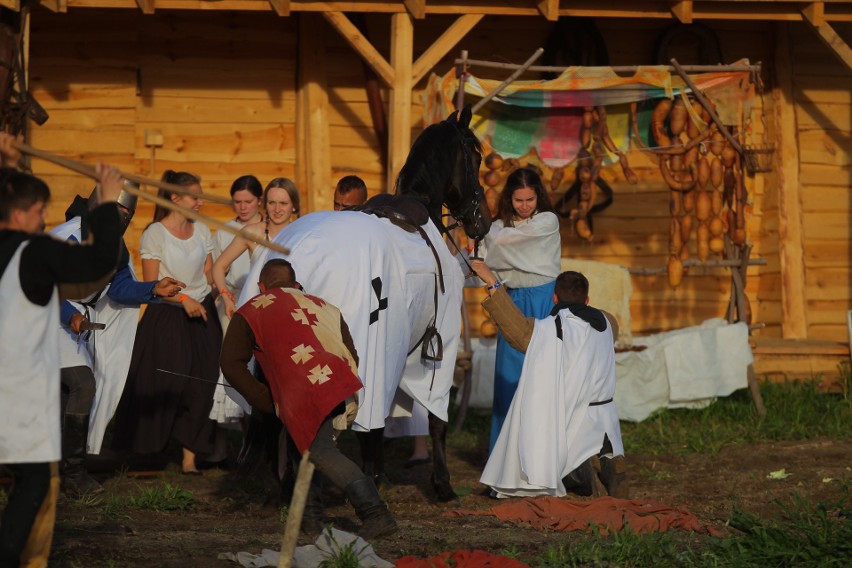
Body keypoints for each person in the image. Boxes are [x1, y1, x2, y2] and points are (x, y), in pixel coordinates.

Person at [0, 133, 125, 567]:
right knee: (35, 483)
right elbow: (95, 265)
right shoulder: (31, 253)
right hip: (15, 385)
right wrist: (107, 204)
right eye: (38, 211)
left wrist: (8, 163)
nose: (46, 217)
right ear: (19, 213)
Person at [220, 259, 398, 539]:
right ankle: (311, 519)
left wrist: (266, 400)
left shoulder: (252, 309)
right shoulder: (325, 306)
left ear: (261, 287)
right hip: (335, 382)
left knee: (320, 451)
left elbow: (230, 362)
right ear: (296, 284)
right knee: (302, 449)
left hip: (303, 391)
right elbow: (349, 353)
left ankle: (376, 513)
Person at [52, 185, 184, 496]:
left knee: (63, 392)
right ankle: (71, 474)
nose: (122, 221)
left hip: (72, 326)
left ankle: (57, 472)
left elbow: (120, 288)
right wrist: (69, 314)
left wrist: (153, 289)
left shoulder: (116, 248)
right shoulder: (70, 237)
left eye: (128, 216)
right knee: (82, 384)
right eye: (117, 213)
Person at [472, 260, 627, 499]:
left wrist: (492, 282)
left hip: (571, 419)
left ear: (554, 299)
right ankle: (606, 460)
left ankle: (586, 471)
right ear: (587, 300)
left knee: (552, 446)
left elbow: (517, 332)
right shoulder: (608, 323)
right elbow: (589, 321)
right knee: (590, 447)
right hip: (605, 418)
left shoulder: (552, 328)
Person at [110, 171, 221, 475]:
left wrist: (223, 289)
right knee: (164, 380)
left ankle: (190, 457)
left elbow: (209, 274)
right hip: (168, 315)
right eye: (194, 196)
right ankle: (143, 452)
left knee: (202, 382)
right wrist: (184, 300)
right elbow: (151, 283)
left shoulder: (202, 231)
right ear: (175, 198)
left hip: (203, 314)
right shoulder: (155, 234)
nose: (200, 202)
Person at [483, 167, 561, 452]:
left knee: (540, 376)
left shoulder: (546, 221)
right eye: (519, 200)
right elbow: (487, 246)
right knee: (509, 377)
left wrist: (483, 239)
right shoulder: (498, 226)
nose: (525, 206)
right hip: (511, 297)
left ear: (538, 196)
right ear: (509, 199)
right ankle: (504, 458)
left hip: (541, 299)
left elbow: (501, 243)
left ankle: (542, 454)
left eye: (530, 199)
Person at [214, 177, 299, 320]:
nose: (277, 209)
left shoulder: (301, 233)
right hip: (256, 310)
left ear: (294, 206)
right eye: (272, 203)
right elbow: (219, 266)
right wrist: (226, 298)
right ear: (265, 204)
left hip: (293, 310)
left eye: (283, 203)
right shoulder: (251, 233)